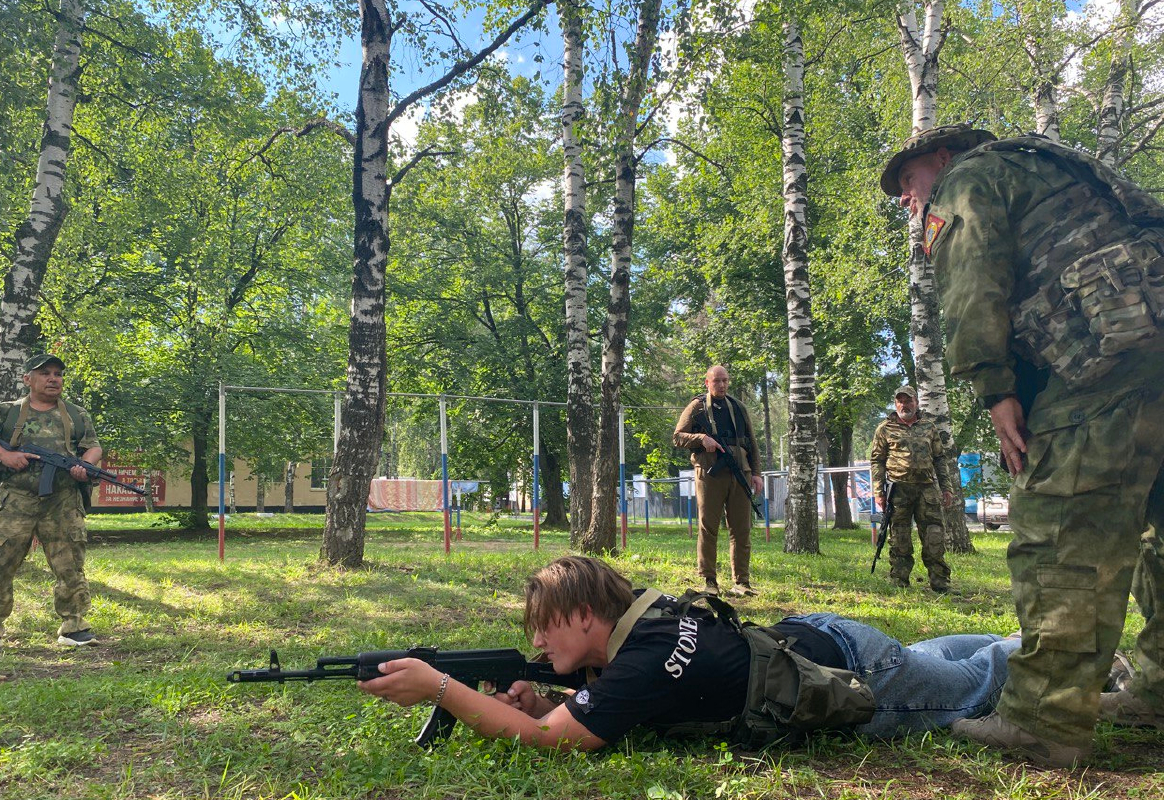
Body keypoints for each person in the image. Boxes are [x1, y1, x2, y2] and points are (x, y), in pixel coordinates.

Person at [881, 123, 1164, 767]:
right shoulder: (1052, 169)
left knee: (1063, 532)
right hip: (1152, 348)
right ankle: (1158, 691)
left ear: (942, 160)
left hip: (1103, 364)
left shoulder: (967, 183)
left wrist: (993, 385)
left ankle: (1043, 720)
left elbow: (973, 283)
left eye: (908, 181)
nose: (908, 199)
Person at [356, 555, 1021, 751]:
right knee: (944, 657)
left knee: (975, 681)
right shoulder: (637, 625)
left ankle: (1066, 650)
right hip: (824, 637)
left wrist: (441, 688)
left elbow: (550, 740)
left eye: (548, 627)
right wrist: (555, 691)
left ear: (587, 615)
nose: (537, 643)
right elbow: (611, 701)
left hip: (849, 672)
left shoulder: (641, 659)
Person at [0, 354, 102, 651]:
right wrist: (4, 455)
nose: (54, 379)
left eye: (58, 374)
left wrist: (84, 466)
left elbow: (93, 447)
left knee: (70, 565)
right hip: (15, 500)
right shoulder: (6, 412)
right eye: (45, 374)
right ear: (28, 379)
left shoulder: (76, 414)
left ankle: (74, 626)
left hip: (63, 501)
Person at [673, 365, 764, 596]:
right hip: (710, 472)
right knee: (708, 526)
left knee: (742, 529)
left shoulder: (738, 407)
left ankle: (742, 582)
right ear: (707, 383)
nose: (721, 385)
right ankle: (709, 581)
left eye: (725, 380)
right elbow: (678, 437)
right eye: (716, 381)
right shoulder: (697, 406)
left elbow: (751, 442)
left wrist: (756, 473)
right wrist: (701, 438)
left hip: (740, 472)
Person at [869, 384, 954, 592]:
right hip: (898, 490)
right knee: (900, 538)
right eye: (900, 401)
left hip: (927, 489)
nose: (904, 405)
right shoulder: (885, 429)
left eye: (908, 401)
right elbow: (877, 461)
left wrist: (946, 488)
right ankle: (900, 581)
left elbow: (940, 459)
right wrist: (878, 491)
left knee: (934, 536)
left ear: (916, 402)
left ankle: (939, 581)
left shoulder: (929, 427)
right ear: (895, 403)